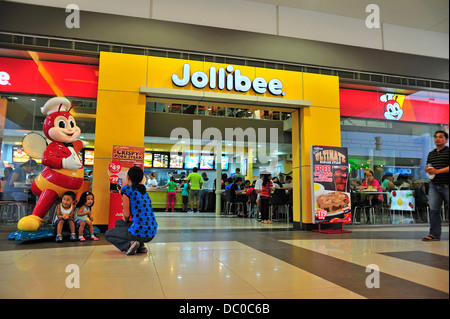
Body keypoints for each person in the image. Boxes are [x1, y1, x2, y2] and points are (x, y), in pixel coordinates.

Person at [105, 166, 158, 255]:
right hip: (151, 231)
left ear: (128, 177)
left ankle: (129, 244)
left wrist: (122, 190)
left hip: (139, 231)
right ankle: (141, 246)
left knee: (108, 234)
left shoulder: (126, 189)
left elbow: (126, 215)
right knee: (119, 223)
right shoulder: (144, 191)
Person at [423, 130, 449, 241]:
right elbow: (428, 166)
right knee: (434, 210)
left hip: (447, 185)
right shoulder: (431, 154)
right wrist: (427, 169)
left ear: (446, 140)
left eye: (440, 137)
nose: (437, 139)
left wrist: (438, 171)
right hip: (434, 185)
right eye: (435, 137)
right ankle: (434, 234)